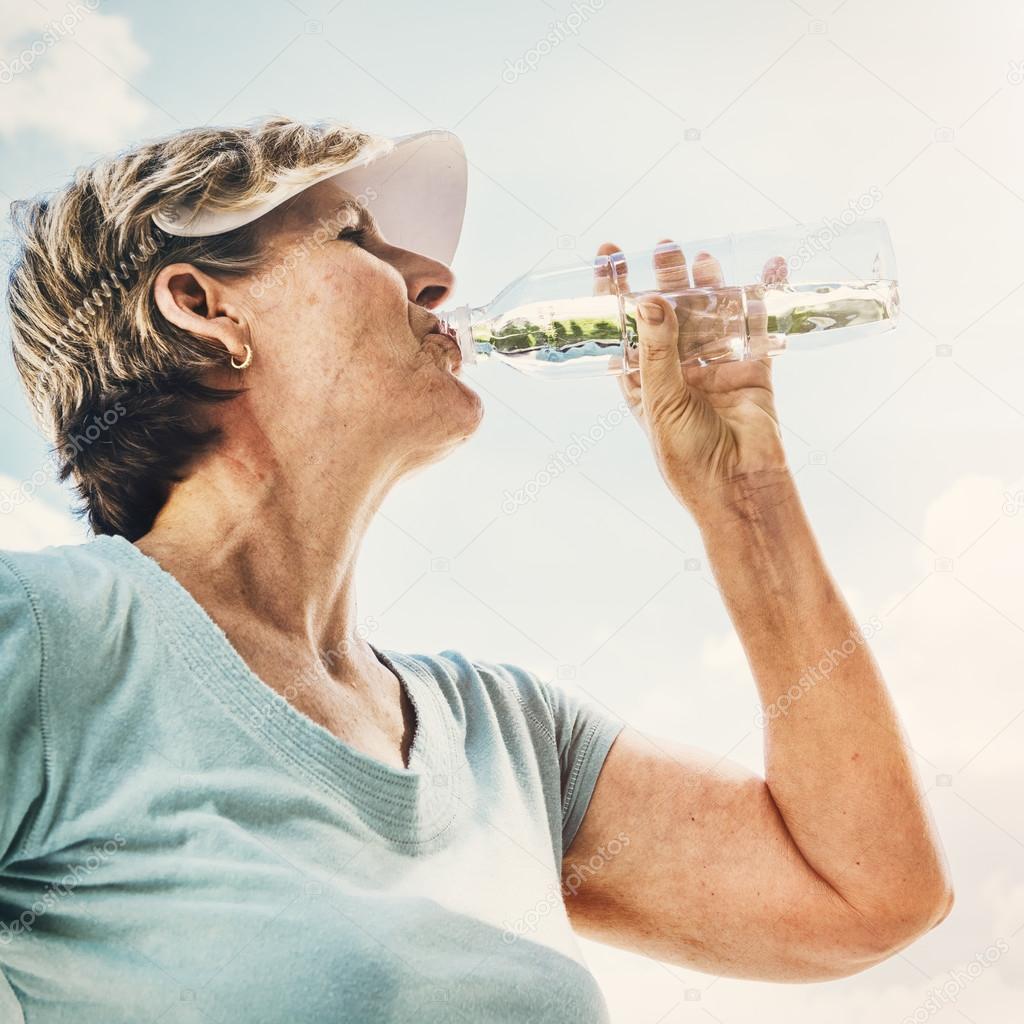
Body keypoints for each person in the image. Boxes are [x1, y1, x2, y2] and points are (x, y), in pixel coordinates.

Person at [0, 117, 952, 1023]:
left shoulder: (507, 736)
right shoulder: (46, 642)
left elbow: (865, 893)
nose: (438, 282)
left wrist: (745, 499)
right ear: (203, 306)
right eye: (357, 237)